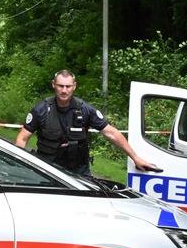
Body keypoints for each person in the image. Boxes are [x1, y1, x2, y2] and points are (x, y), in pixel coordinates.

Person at [15, 70, 160, 176]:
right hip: (47, 169)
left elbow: (111, 133)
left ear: (74, 86)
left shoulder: (85, 109)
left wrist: (135, 158)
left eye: (68, 86)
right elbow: (22, 138)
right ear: (53, 85)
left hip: (79, 171)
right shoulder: (41, 109)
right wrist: (17, 167)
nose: (64, 90)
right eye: (60, 86)